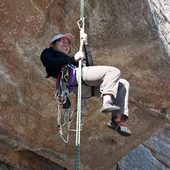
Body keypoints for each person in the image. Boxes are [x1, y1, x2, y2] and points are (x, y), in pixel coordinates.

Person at [40, 32, 131, 137]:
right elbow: (48, 62)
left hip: (85, 88)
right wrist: (72, 59)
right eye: (62, 41)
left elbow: (89, 67)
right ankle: (107, 102)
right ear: (52, 44)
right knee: (113, 71)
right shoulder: (49, 52)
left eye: (68, 44)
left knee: (123, 84)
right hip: (73, 77)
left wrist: (86, 44)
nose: (66, 44)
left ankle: (117, 121)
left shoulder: (71, 60)